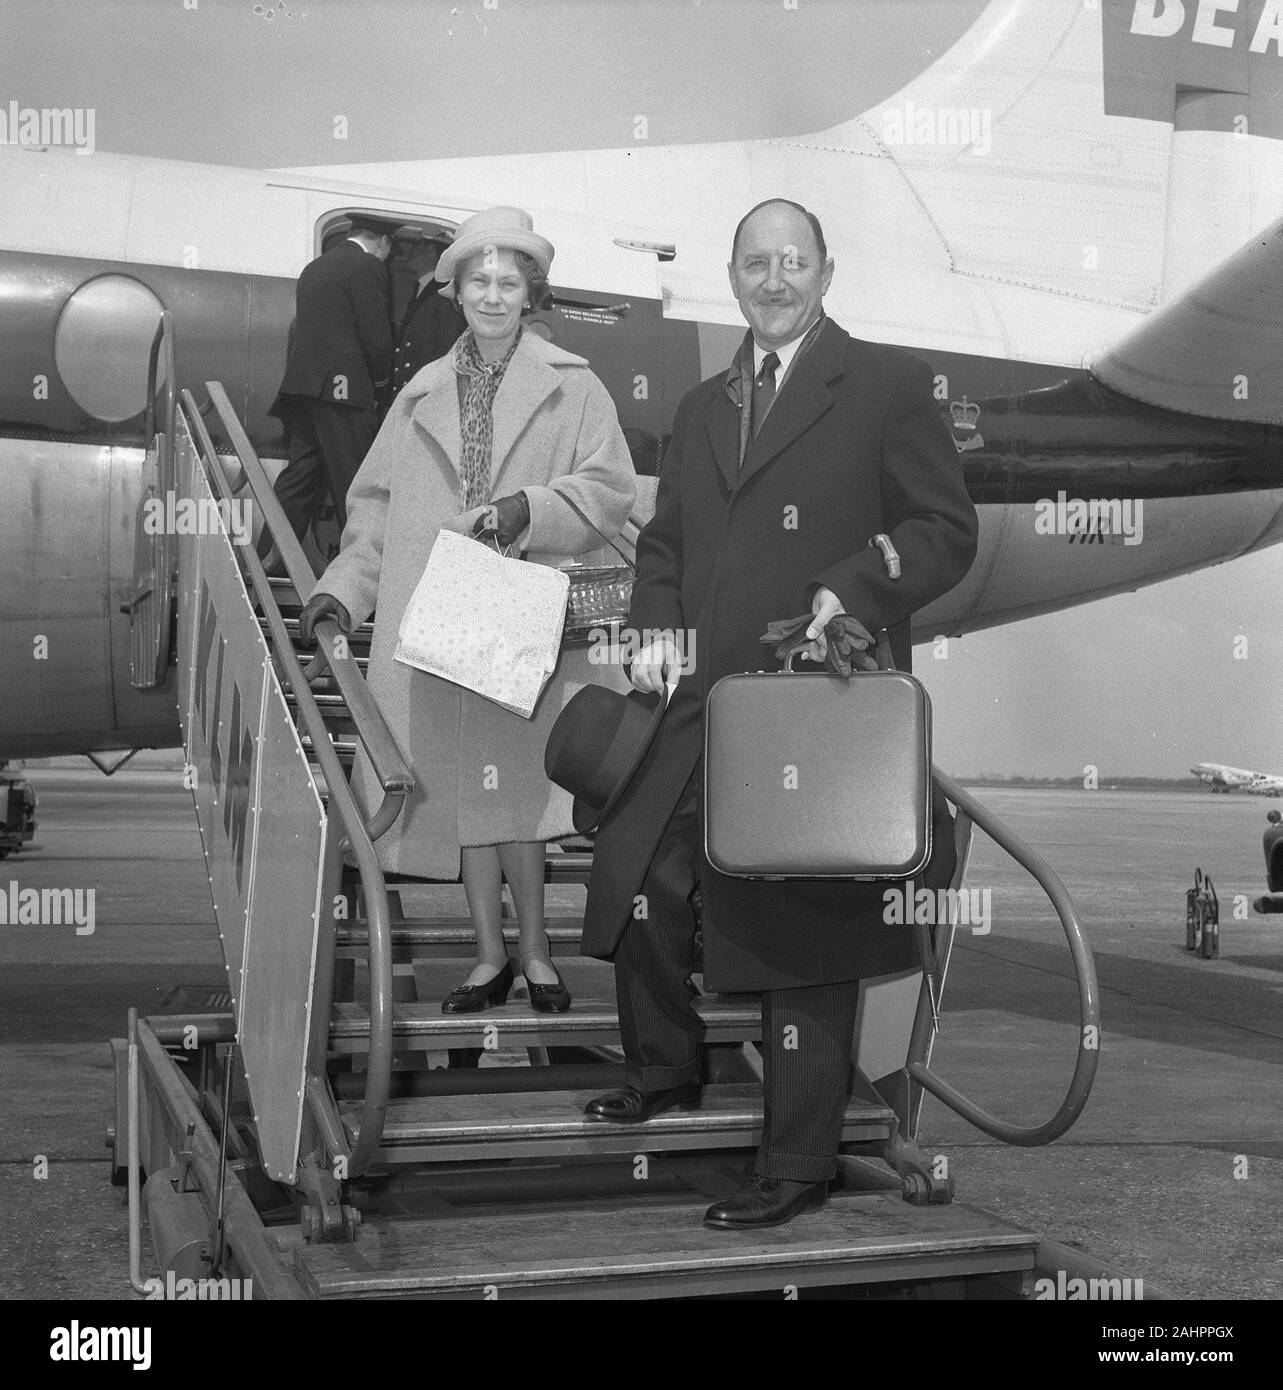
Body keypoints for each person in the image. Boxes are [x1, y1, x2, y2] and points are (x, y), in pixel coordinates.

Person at [578, 198, 979, 1228]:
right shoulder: (705, 402)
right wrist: (655, 632)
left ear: (824, 272)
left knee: (801, 918)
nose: (773, 279)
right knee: (641, 872)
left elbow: (943, 529)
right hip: (700, 690)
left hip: (813, 695)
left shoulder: (885, 384)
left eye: (791, 262)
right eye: (755, 263)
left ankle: (795, 1159)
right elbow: (664, 546)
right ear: (732, 274)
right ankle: (666, 1065)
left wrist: (855, 585)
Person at [298, 206, 635, 1015]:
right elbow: (372, 510)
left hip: (520, 610)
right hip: (442, 614)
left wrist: (530, 508)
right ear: (456, 291)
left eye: (507, 282)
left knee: (517, 795)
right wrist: (340, 590)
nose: (491, 295)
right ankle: (491, 959)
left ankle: (539, 956)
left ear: (530, 294)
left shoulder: (573, 384)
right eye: (477, 280)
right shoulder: (419, 395)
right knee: (470, 799)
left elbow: (610, 488)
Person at [267, 214, 396, 554]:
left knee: (299, 480)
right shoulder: (367, 266)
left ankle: (266, 558)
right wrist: (381, 383)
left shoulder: (315, 268)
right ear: (382, 243)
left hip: (306, 390)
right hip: (344, 393)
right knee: (354, 486)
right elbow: (376, 338)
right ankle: (358, 568)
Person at [388, 234, 464, 398]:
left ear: (431, 250)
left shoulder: (444, 295)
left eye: (418, 245)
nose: (409, 251)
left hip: (422, 394)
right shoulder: (423, 288)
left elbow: (447, 350)